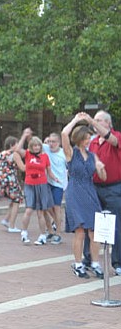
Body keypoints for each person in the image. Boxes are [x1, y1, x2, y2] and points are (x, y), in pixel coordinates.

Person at [62, 113, 106, 279]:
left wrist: (101, 168)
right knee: (80, 231)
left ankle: (95, 263)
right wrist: (76, 120)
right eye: (87, 137)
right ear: (80, 138)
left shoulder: (93, 155)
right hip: (75, 191)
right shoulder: (71, 153)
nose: (89, 140)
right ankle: (78, 263)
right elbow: (64, 134)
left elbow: (102, 177)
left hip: (90, 191)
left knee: (94, 231)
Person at [82, 110, 121, 276]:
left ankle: (117, 262)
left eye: (99, 120)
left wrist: (91, 120)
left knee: (116, 225)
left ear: (108, 123)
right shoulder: (92, 142)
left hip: (113, 187)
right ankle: (89, 258)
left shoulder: (117, 136)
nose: (94, 123)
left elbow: (111, 140)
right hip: (94, 187)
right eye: (94, 120)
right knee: (90, 225)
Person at [14, 135, 55, 245]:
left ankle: (42, 235)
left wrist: (55, 178)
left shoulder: (45, 156)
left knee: (40, 212)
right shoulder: (27, 154)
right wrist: (24, 135)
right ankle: (24, 233)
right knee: (28, 210)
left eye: (38, 145)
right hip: (29, 184)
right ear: (31, 147)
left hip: (42, 184)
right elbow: (17, 149)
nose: (36, 147)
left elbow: (49, 171)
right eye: (34, 145)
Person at [0, 130, 29, 233]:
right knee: (17, 200)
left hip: (1, 179)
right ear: (12, 145)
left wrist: (3, 171)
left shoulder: (0, 154)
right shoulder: (14, 155)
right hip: (11, 180)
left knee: (13, 200)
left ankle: (6, 220)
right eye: (17, 144)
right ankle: (12, 226)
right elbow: (23, 168)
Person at [43, 132, 66, 244]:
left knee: (56, 207)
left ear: (59, 143)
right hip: (47, 182)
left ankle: (58, 233)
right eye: (49, 141)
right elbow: (33, 142)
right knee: (46, 207)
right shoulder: (46, 149)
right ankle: (51, 229)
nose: (51, 144)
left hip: (58, 184)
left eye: (54, 142)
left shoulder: (63, 153)